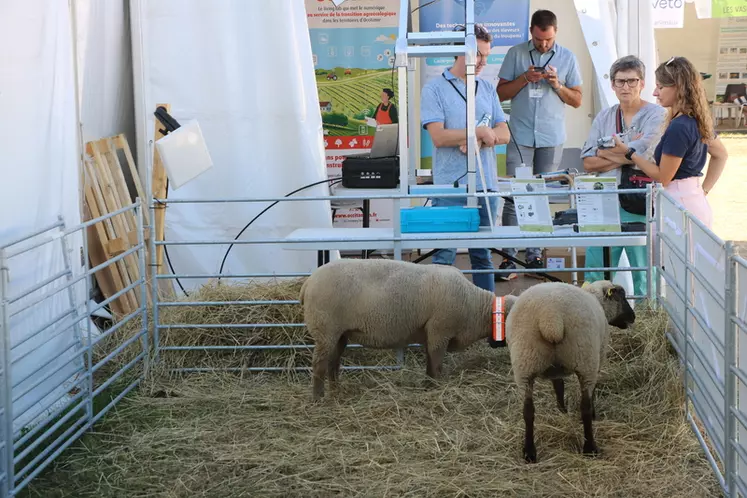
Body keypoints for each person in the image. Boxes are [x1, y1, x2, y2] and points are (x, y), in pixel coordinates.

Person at [420, 23, 511, 293]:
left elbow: (504, 132)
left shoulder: (486, 87)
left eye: (486, 55)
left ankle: (486, 317)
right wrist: (477, 132)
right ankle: (440, 318)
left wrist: (478, 138)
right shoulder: (434, 88)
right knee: (444, 257)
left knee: (482, 256)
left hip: (485, 185)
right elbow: (438, 137)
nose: (483, 61)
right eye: (478, 55)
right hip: (450, 185)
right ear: (460, 52)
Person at [495, 9, 583, 281]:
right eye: (538, 39)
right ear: (531, 31)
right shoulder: (516, 53)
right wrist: (524, 78)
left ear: (555, 33)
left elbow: (577, 100)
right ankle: (509, 258)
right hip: (520, 136)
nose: (543, 45)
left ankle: (534, 256)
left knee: (541, 195)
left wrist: (557, 84)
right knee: (514, 195)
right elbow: (499, 93)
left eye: (548, 40)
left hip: (550, 137)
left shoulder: (568, 57)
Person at [579, 55, 668, 297]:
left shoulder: (657, 115)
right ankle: (594, 320)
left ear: (642, 83)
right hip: (602, 200)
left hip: (637, 199)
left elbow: (648, 156)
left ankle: (645, 324)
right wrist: (629, 152)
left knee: (643, 271)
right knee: (596, 269)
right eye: (620, 82)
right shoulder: (604, 116)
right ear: (612, 85)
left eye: (631, 81)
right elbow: (587, 162)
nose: (625, 87)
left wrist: (608, 152)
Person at [607, 56, 728, 230]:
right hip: (692, 199)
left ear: (678, 88)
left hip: (678, 206)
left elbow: (662, 176)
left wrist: (630, 152)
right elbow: (721, 154)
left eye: (660, 87)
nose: (655, 93)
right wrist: (703, 191)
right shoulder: (695, 120)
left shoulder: (679, 126)